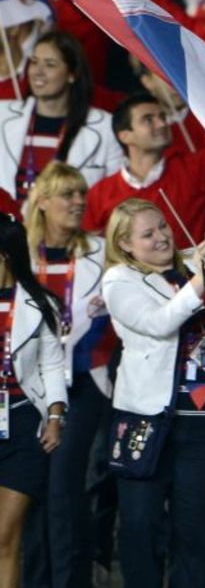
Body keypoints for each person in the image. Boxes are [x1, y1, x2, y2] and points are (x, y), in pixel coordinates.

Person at [101, 198, 205, 587]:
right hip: (146, 420)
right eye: (148, 233)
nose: (161, 237)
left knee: (199, 532)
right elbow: (159, 323)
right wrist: (197, 283)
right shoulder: (119, 280)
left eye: (163, 227)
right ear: (124, 244)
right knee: (140, 527)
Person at [20, 163, 115, 587]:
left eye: (81, 194)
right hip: (28, 389)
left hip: (83, 384)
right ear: (42, 203)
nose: (79, 202)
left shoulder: (99, 252)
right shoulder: (18, 255)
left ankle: (72, 578)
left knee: (62, 485)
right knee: (34, 492)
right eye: (67, 195)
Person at [0, 214, 67, 588]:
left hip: (23, 426)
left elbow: (52, 366)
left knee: (6, 537)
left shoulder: (39, 306)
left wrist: (56, 416)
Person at [82, 92, 205, 240]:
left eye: (162, 117)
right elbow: (88, 250)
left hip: (196, 265)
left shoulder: (195, 169)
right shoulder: (99, 194)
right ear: (125, 136)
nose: (162, 124)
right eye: (148, 119)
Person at [0, 31, 122, 204]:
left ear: (71, 74)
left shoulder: (105, 126)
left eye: (50, 64)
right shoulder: (2, 115)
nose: (38, 72)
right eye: (34, 62)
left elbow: (114, 197)